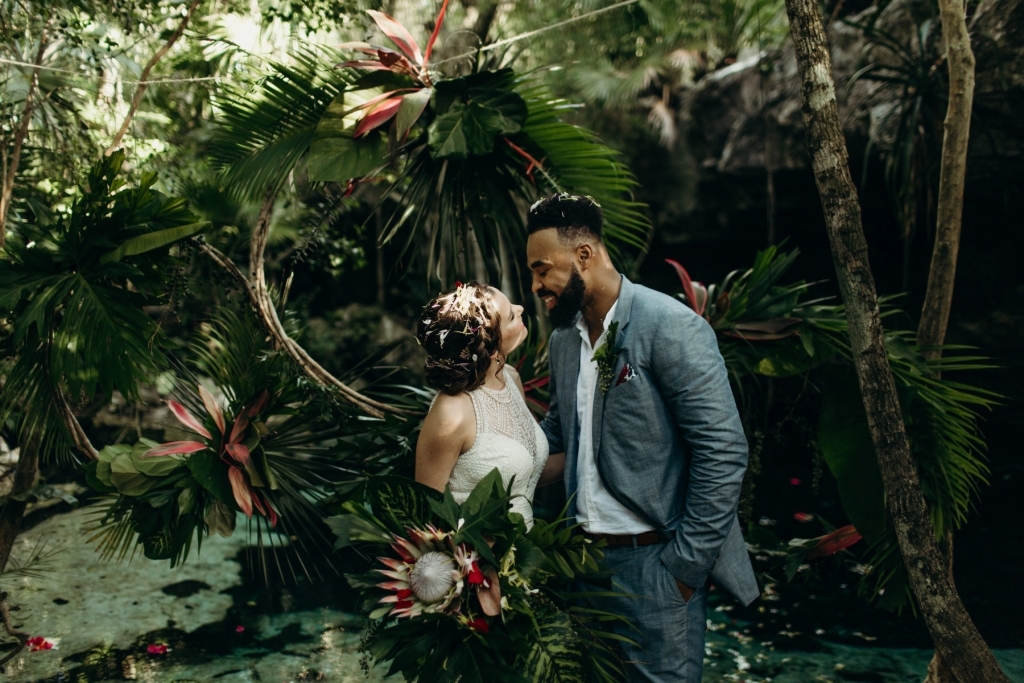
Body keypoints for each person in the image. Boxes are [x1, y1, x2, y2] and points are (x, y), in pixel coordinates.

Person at [526, 193, 760, 682]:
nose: (536, 285)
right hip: (582, 567)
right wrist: (485, 455)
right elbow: (557, 436)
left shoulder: (671, 326)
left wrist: (683, 569)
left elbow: (723, 452)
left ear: (584, 255)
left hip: (657, 567)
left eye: (542, 269)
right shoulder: (565, 339)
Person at [414, 281, 564, 529]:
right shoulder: (451, 414)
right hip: (474, 562)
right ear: (492, 348)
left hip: (525, 557)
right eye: (512, 316)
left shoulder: (511, 379)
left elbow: (528, 471)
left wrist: (595, 452)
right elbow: (426, 516)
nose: (521, 309)